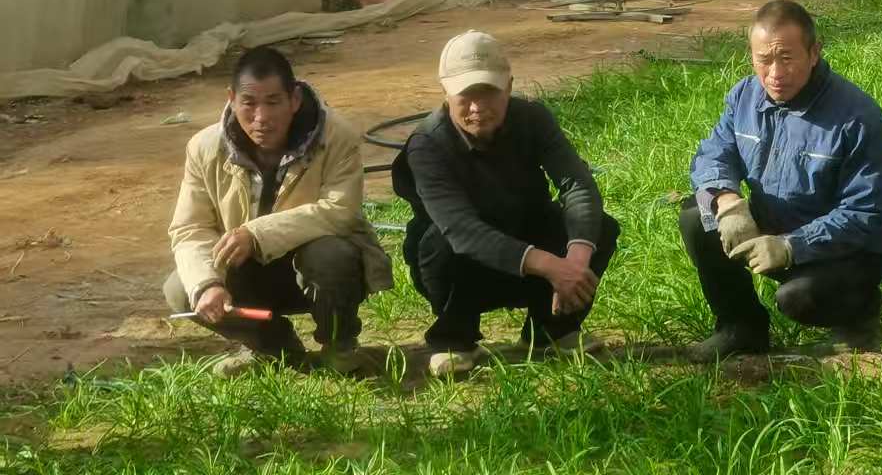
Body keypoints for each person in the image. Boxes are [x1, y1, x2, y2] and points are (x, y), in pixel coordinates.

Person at [392, 31, 620, 377]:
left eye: (488, 93)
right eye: (466, 96)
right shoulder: (427, 145)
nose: (477, 108)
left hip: (526, 234)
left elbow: (578, 186)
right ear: (446, 93)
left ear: (509, 87)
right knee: (440, 242)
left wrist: (575, 261)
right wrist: (551, 266)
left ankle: (552, 329)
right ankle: (455, 338)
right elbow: (462, 231)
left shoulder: (534, 119)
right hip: (461, 266)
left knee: (598, 228)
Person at [681, 0, 882, 359]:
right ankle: (740, 327)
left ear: (814, 53)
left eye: (786, 58)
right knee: (696, 217)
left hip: (845, 250)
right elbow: (712, 154)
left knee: (797, 298)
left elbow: (866, 214)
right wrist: (728, 201)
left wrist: (791, 245)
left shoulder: (856, 117)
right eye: (764, 60)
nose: (775, 73)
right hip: (773, 225)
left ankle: (860, 317)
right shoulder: (744, 97)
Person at [165, 47, 392, 376]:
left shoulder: (336, 136)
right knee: (181, 288)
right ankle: (273, 347)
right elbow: (190, 229)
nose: (261, 117)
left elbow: (339, 211)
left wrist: (256, 234)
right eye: (249, 103)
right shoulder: (204, 148)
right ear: (231, 99)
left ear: (294, 99)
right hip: (247, 272)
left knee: (331, 254)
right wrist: (207, 285)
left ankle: (339, 346)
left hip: (313, 272)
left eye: (273, 102)